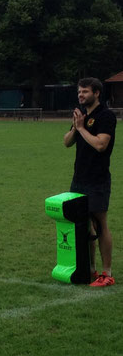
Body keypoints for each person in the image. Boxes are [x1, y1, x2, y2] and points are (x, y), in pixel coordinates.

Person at [64, 77, 116, 287]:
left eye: (85, 92)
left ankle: (107, 273)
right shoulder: (81, 116)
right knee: (84, 226)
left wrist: (82, 128)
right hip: (79, 178)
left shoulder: (106, 116)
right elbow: (66, 142)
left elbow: (101, 145)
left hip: (97, 179)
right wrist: (76, 127)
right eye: (79, 92)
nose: (80, 95)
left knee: (100, 224)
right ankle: (91, 269)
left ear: (96, 93)